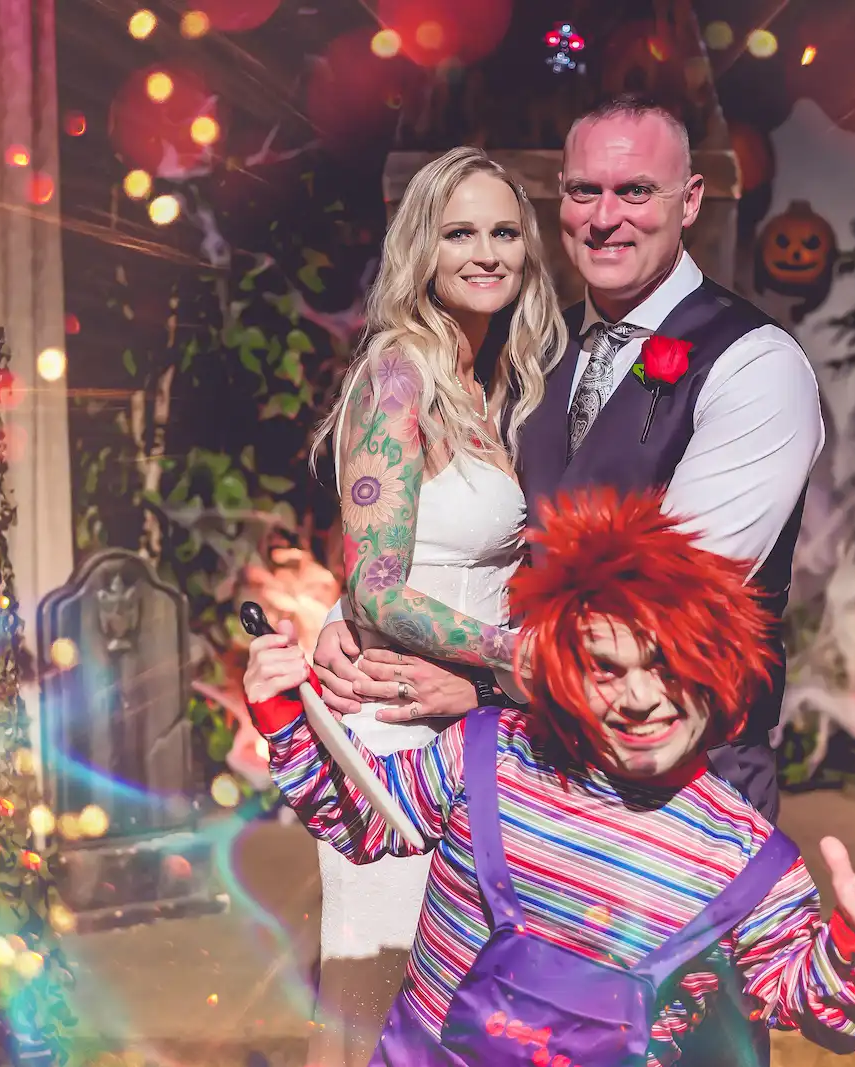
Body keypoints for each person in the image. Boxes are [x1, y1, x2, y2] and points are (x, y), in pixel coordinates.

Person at [243, 490, 855, 1067]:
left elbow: (822, 1014)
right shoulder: (489, 753)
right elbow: (356, 818)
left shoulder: (744, 857)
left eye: (670, 666)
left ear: (718, 670)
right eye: (607, 667)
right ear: (565, 670)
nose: (641, 696)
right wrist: (283, 710)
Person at [312, 93, 823, 828]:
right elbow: (461, 534)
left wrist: (490, 687)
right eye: (586, 190)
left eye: (636, 190)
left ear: (691, 201)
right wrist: (357, 617)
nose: (605, 216)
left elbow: (661, 611)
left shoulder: (755, 366)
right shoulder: (534, 360)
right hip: (533, 777)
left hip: (687, 794)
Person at [301, 145, 566, 1066]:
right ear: (424, 248)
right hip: (398, 737)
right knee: (389, 1011)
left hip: (467, 726)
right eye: (460, 233)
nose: (486, 253)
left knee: (466, 1007)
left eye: (503, 232)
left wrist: (498, 687)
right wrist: (520, 658)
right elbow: (377, 585)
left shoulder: (493, 379)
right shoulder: (400, 375)